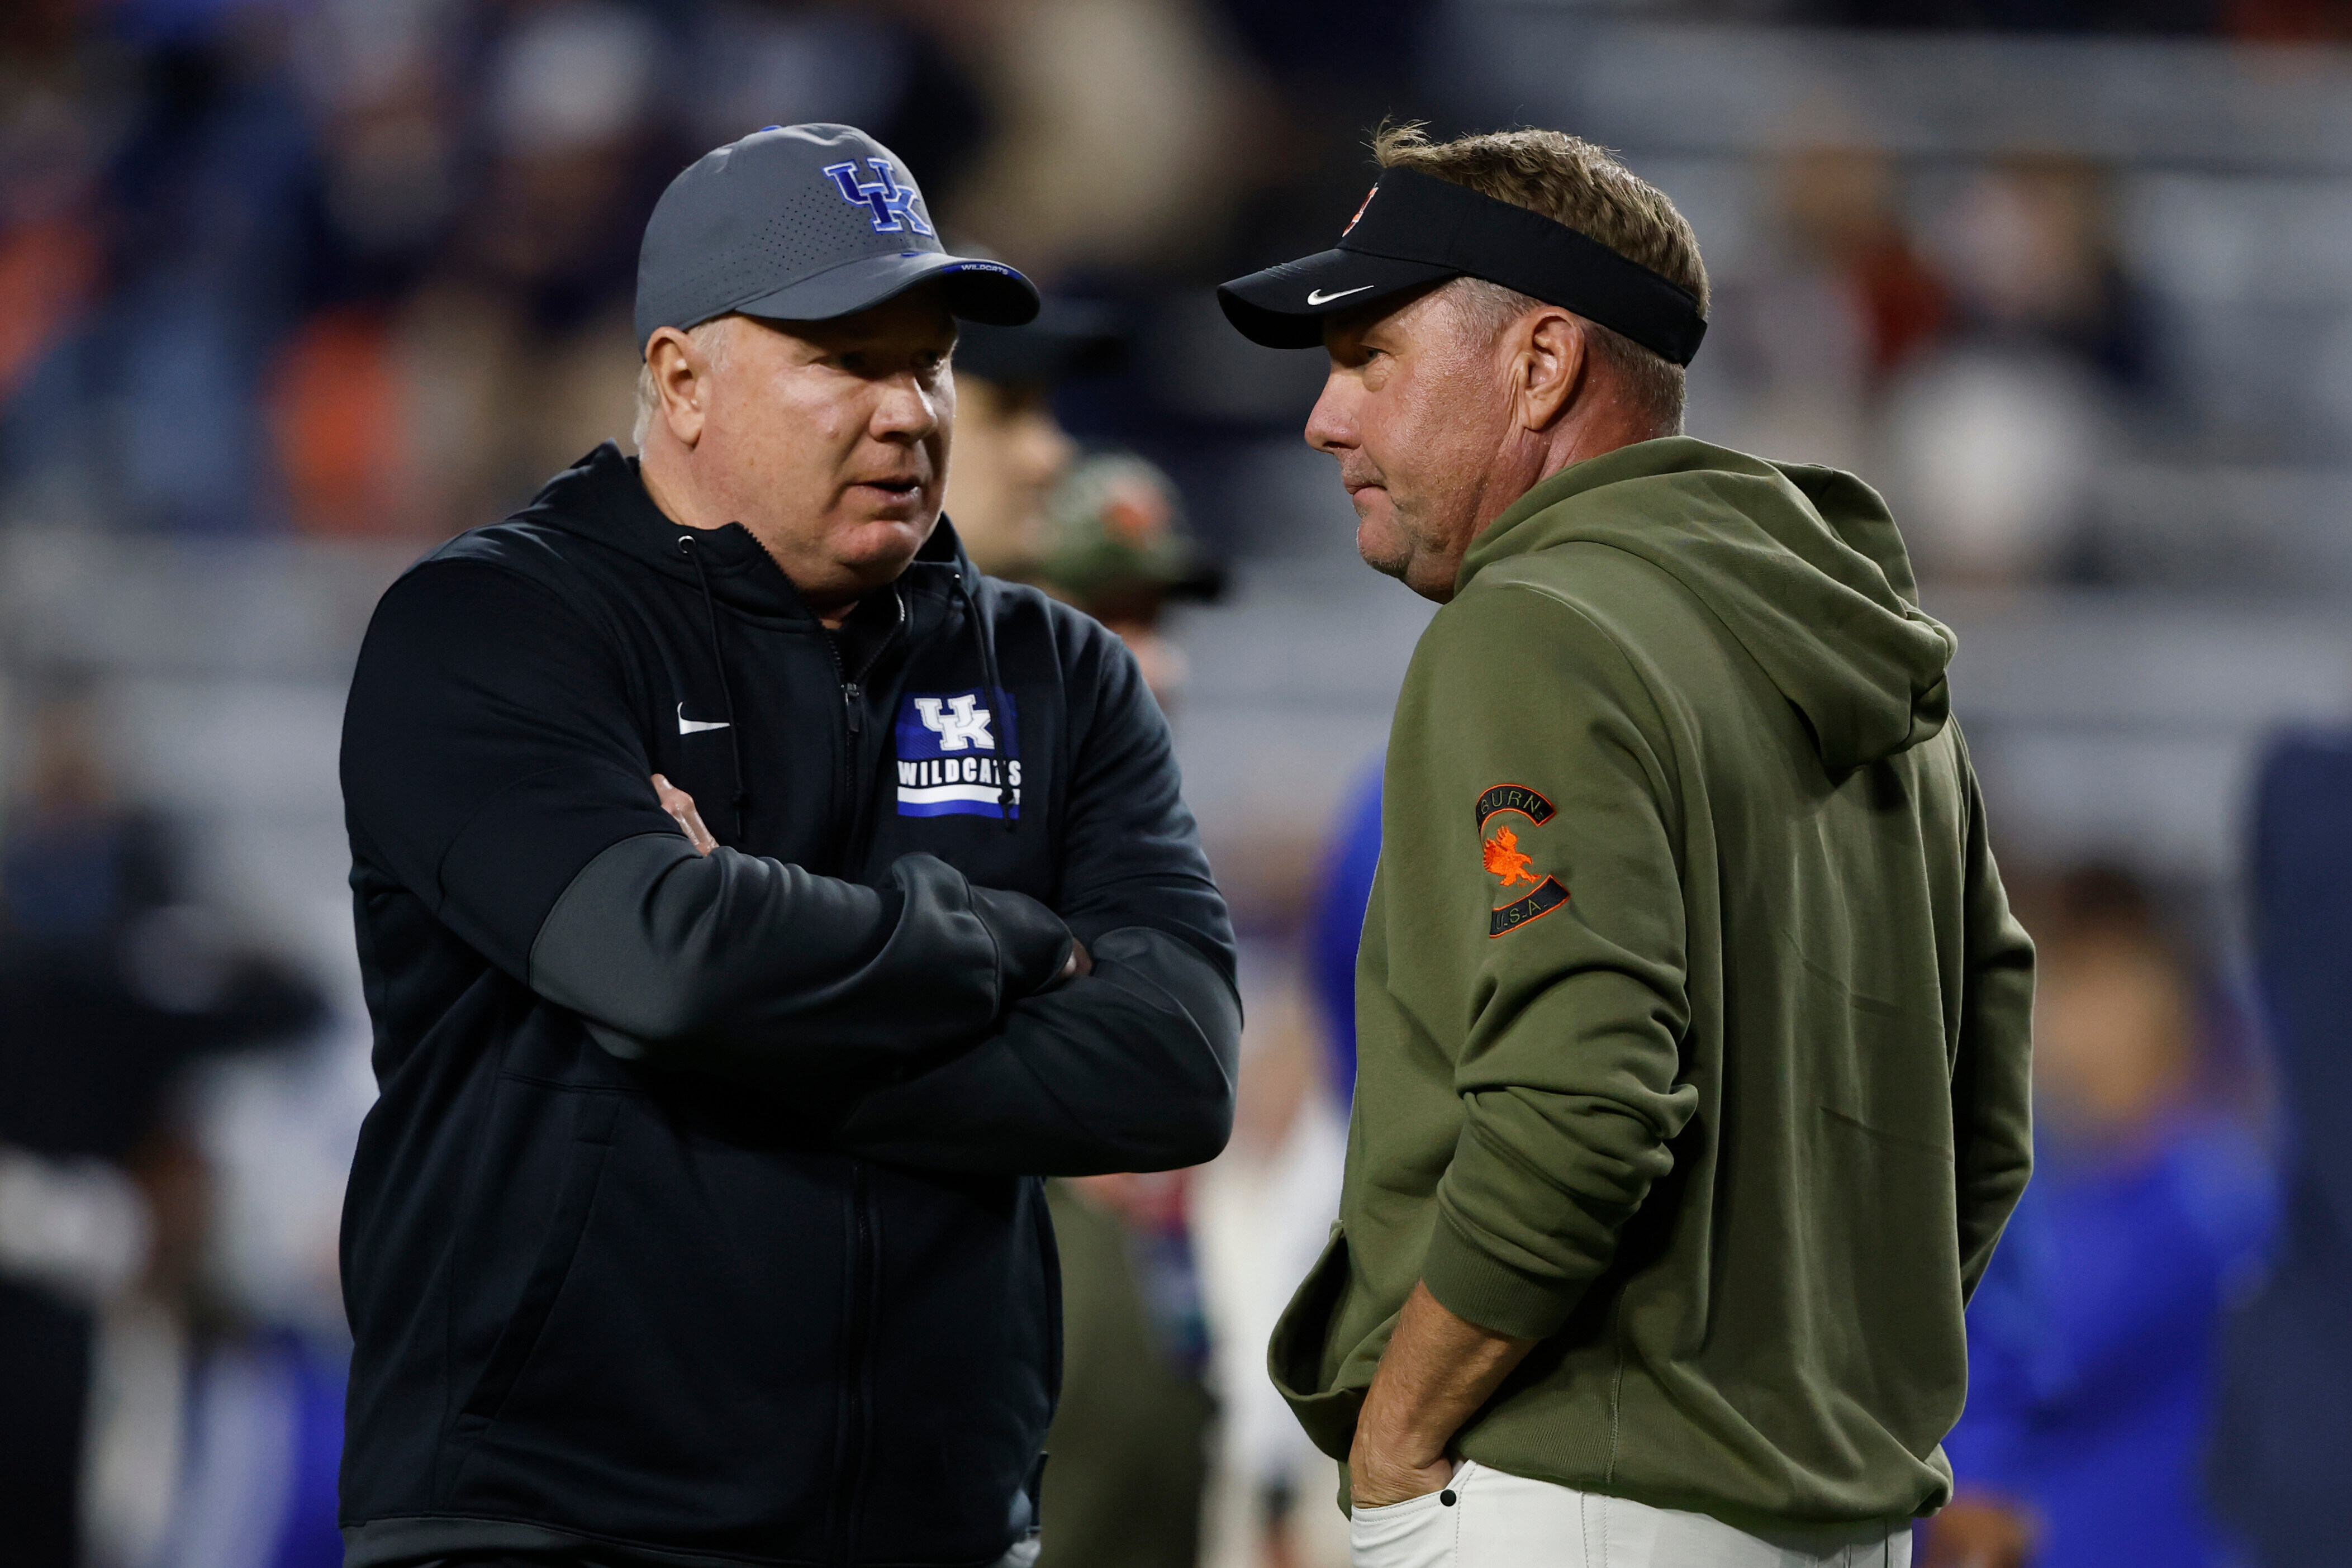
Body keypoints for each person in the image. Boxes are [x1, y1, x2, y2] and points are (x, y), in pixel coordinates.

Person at [336, 123, 1241, 1568]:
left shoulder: (1060, 674)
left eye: (929, 362)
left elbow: (1174, 1069)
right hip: (559, 1522)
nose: (907, 411)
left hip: (937, 1531)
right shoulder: (496, 629)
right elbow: (657, 961)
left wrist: (729, 1008)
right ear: (680, 380)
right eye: (846, 359)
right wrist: (1004, 943)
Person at [1218, 124, 2036, 1565]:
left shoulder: (1535, 624)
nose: (1323, 421)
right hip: (1838, 1516)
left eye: (1371, 360)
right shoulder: (1872, 657)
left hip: (1573, 1496)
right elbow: (1983, 1121)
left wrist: (1398, 1440)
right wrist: (1809, 1392)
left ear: (1539, 366)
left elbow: (1581, 1097)